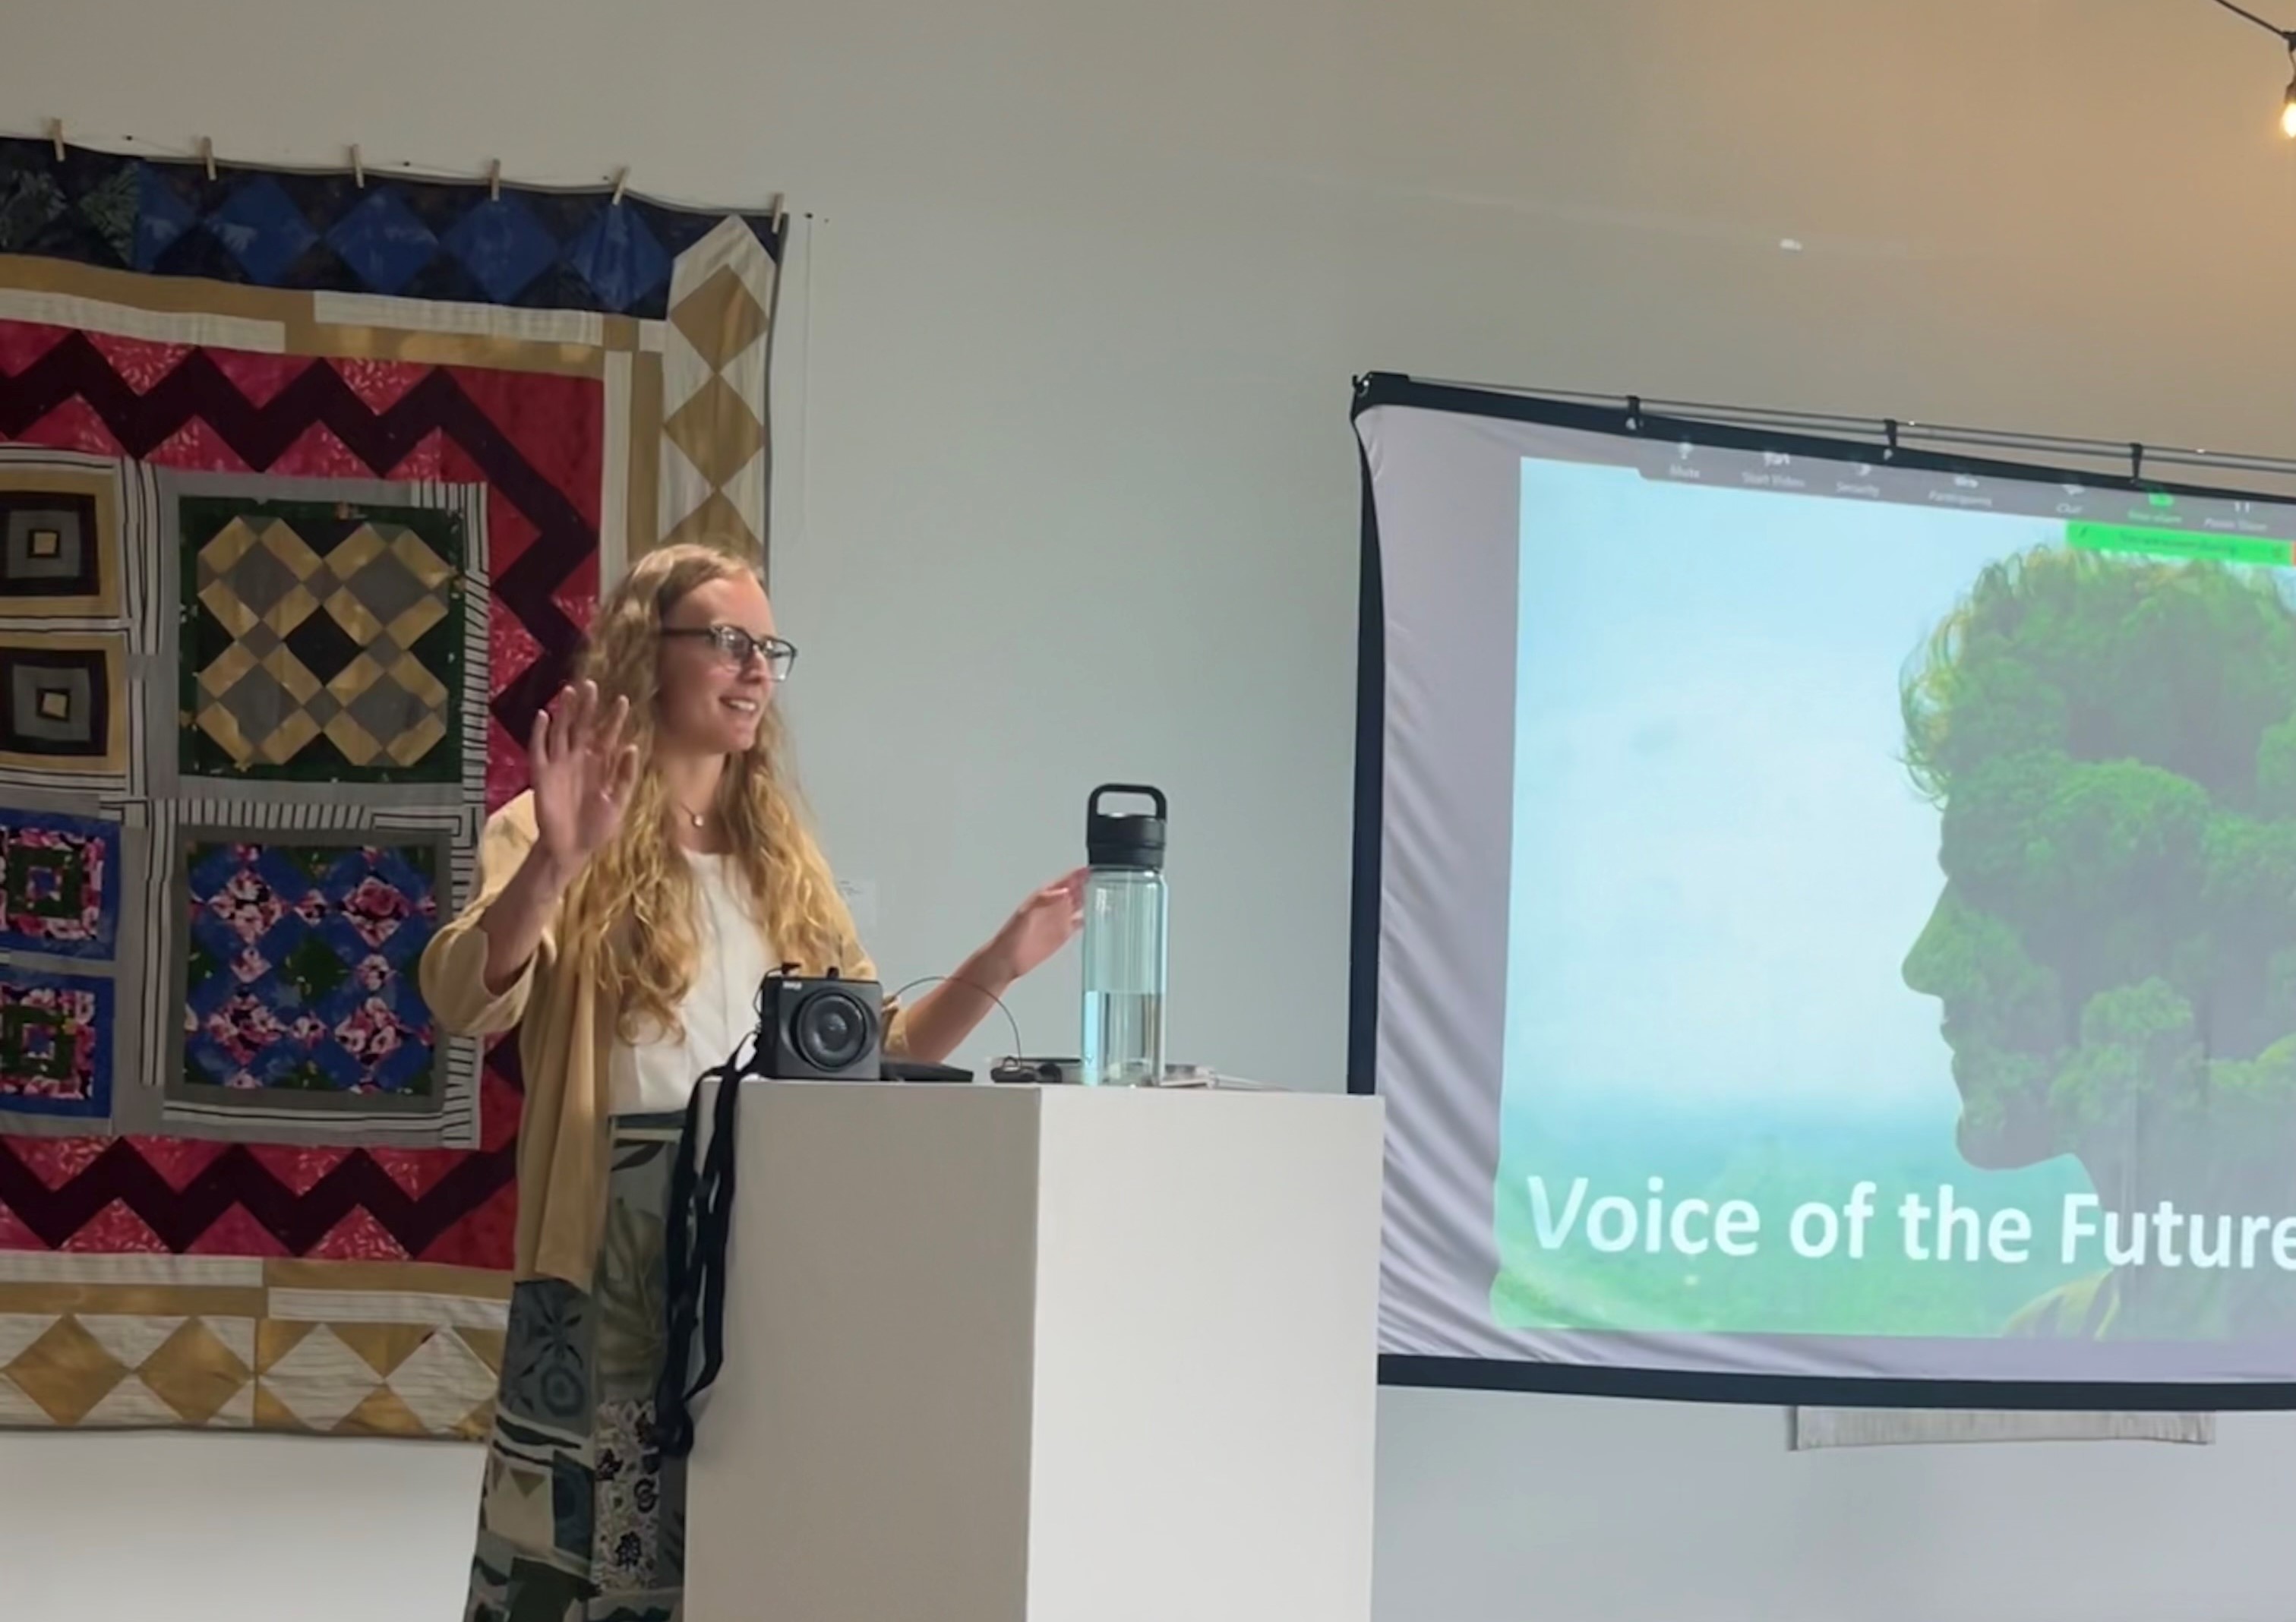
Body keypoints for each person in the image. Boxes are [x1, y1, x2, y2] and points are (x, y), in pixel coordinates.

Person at [418, 542, 1085, 1622]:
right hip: (615, 1240)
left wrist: (1001, 961)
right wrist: (554, 862)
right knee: (585, 1557)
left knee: (749, 1547)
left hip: (769, 1240)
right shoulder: (547, 833)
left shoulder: (788, 861)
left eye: (769, 647)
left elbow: (879, 1057)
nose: (757, 668)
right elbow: (462, 995)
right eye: (728, 642)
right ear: (650, 652)